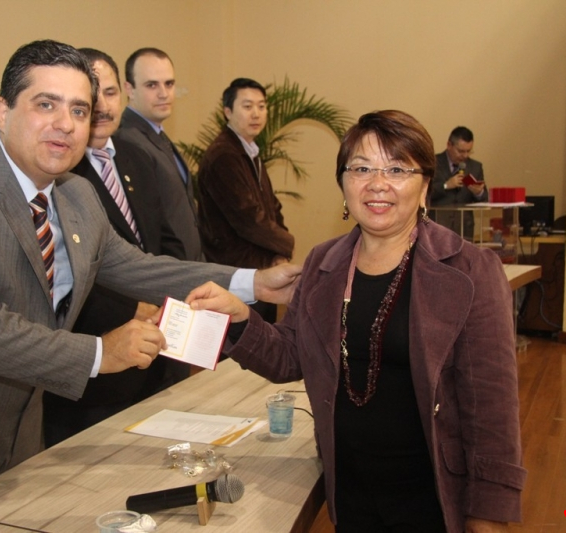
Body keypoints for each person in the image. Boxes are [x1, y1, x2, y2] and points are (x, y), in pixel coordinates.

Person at [0, 40, 301, 533]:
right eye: (46, 104)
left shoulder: (75, 194)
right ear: (3, 110)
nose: (66, 123)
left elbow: (137, 267)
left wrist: (254, 282)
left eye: (79, 109)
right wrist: (100, 353)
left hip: (14, 444)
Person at [187, 110, 526, 532]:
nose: (377, 183)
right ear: (343, 183)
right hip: (350, 493)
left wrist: (489, 513)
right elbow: (290, 356)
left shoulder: (469, 270)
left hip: (434, 497)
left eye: (397, 169)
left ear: (425, 184)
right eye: (361, 168)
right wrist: (240, 319)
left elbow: (493, 405)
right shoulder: (324, 263)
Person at [43, 48, 189, 447]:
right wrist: (133, 308)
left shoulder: (136, 157)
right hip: (94, 379)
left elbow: (164, 242)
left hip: (156, 353)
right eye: (92, 98)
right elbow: (64, 277)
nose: (103, 107)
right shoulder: (59, 171)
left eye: (110, 93)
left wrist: (167, 299)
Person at [196, 78, 294, 323]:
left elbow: (272, 207)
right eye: (248, 106)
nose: (256, 114)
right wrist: (286, 244)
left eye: (261, 106)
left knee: (265, 337)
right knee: (245, 340)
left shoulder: (249, 151)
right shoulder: (224, 155)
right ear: (228, 112)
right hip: (236, 272)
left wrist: (278, 254)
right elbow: (248, 219)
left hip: (259, 265)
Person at [114, 48, 203, 261]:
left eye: (169, 84)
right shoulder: (128, 140)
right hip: (168, 267)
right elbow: (149, 222)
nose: (164, 93)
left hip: (189, 263)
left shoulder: (157, 133)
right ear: (129, 89)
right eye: (152, 85)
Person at [428, 126, 488, 240]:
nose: (465, 156)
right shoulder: (433, 163)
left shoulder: (475, 167)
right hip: (438, 227)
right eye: (461, 151)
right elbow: (424, 193)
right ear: (449, 145)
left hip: (464, 229)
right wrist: (446, 185)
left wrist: (478, 193)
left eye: (468, 151)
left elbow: (485, 198)